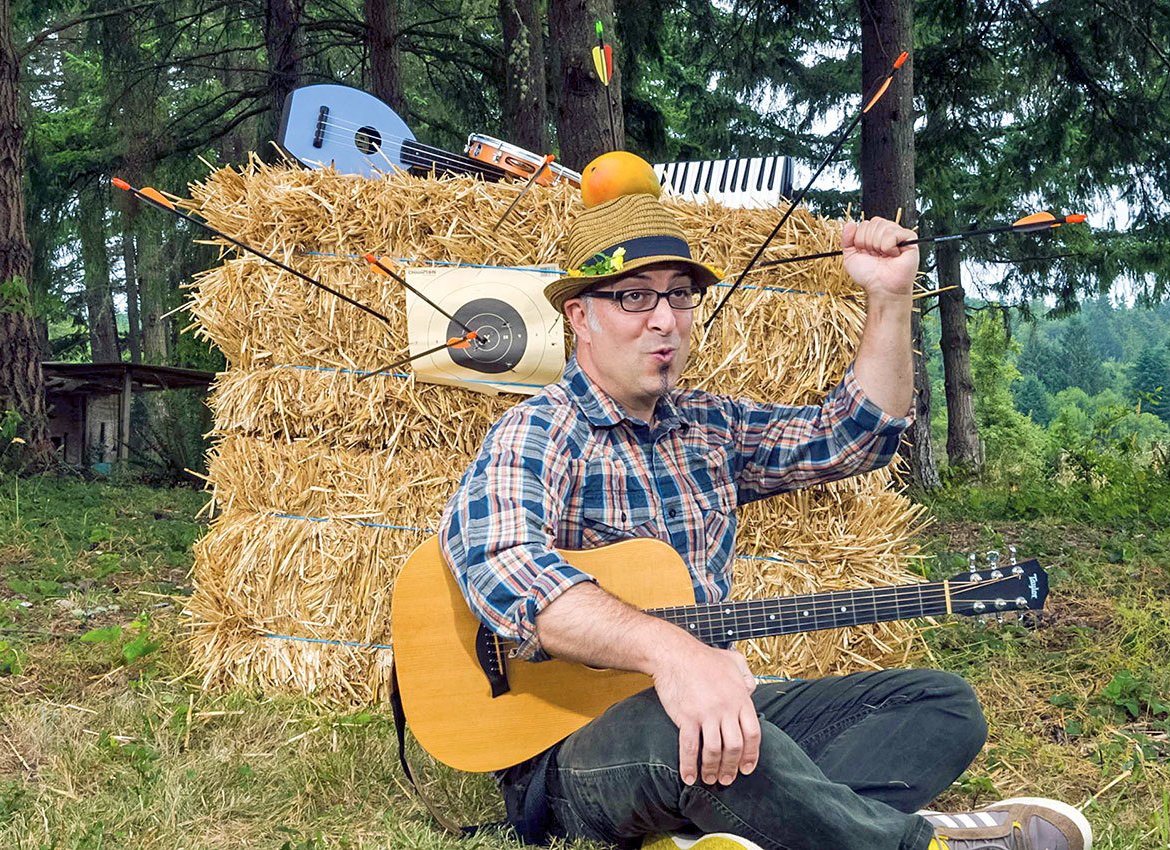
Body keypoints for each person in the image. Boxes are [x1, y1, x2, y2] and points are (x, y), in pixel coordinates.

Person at [437, 191, 1092, 850]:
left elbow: (857, 437)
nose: (665, 320)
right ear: (581, 315)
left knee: (941, 706)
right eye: (635, 297)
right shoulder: (541, 430)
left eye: (678, 295)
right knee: (688, 729)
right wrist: (674, 654)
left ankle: (745, 828)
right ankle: (919, 845)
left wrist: (889, 299)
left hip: (692, 716)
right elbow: (503, 564)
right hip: (569, 750)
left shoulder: (708, 428)